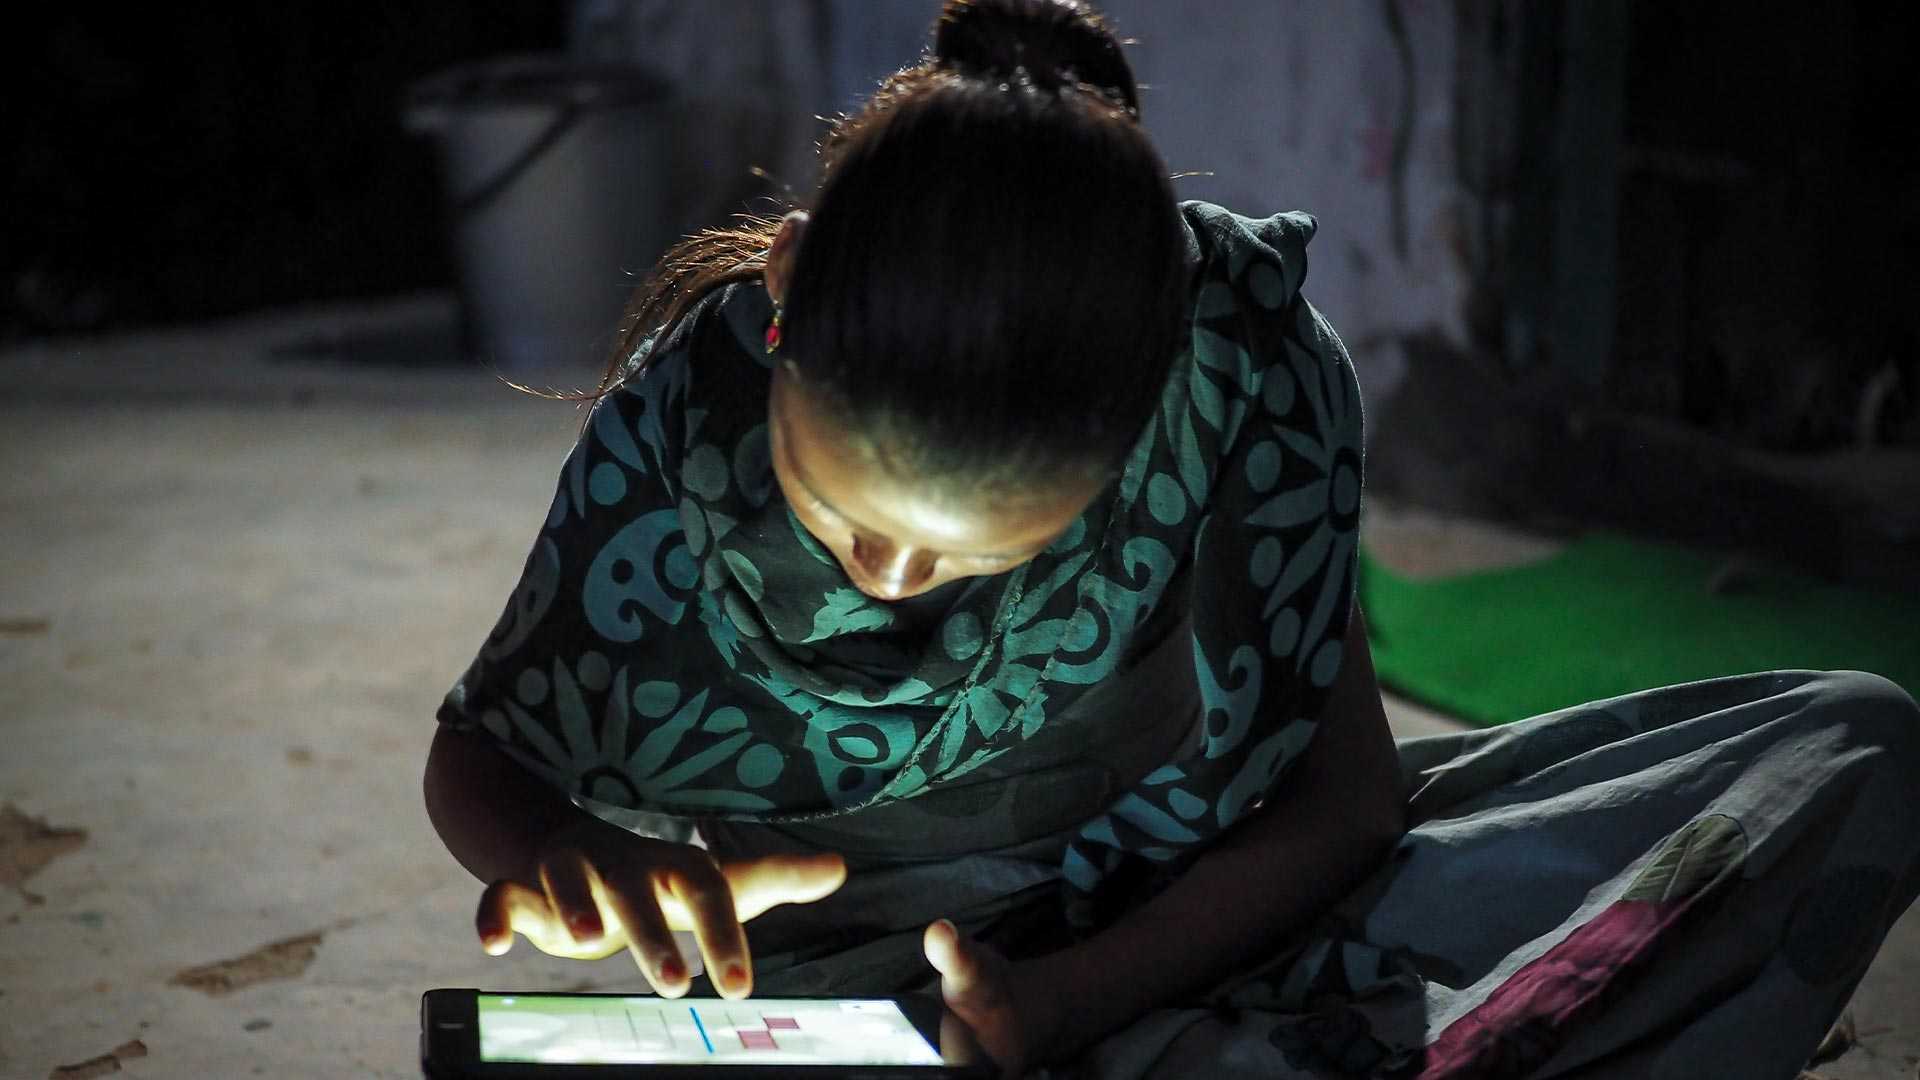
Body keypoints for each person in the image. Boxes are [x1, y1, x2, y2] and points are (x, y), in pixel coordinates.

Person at [423, 1, 1920, 1076]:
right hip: (890, 1012)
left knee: (1853, 744)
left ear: (1148, 415)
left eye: (980, 548)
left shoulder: (1248, 380)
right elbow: (482, 755)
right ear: (790, 296)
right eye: (855, 518)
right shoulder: (678, 426)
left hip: (1232, 932)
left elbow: (1342, 814)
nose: (890, 584)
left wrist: (1076, 1000)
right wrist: (575, 849)